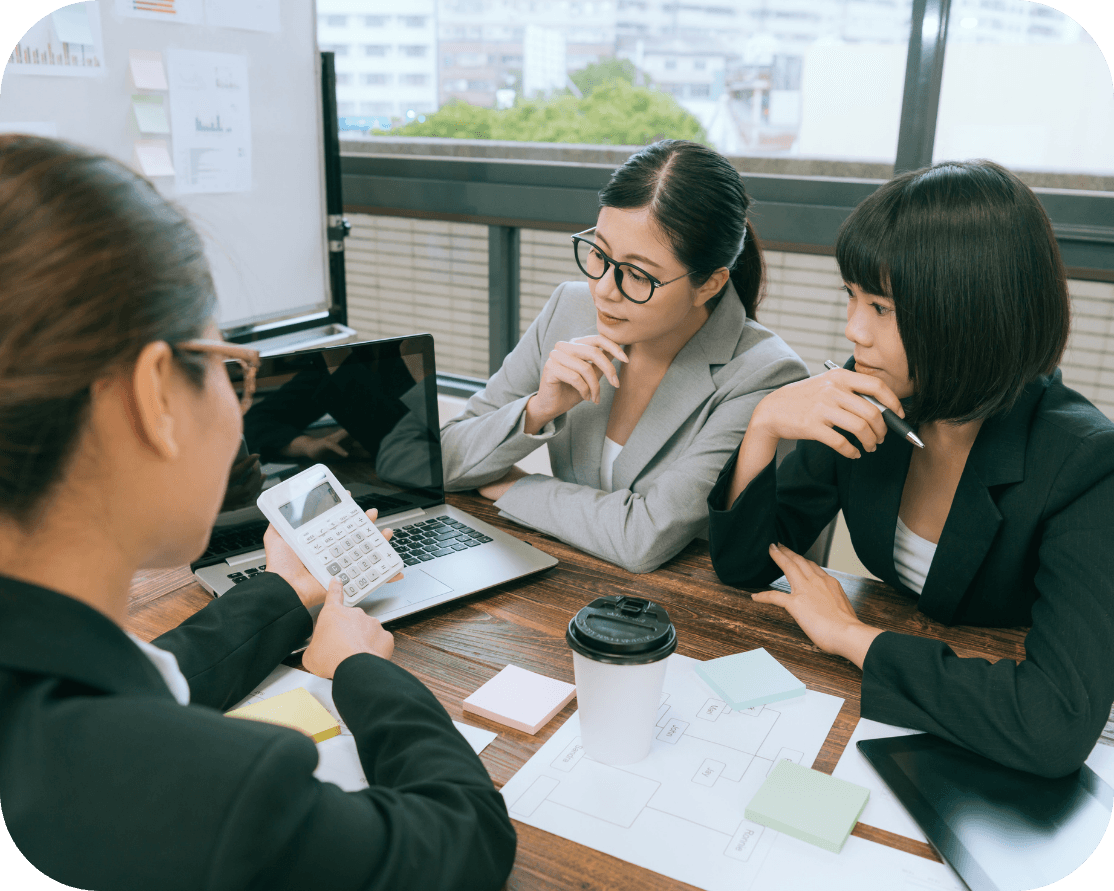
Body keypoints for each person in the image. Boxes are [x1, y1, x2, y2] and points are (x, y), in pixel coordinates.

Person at [0, 136, 515, 891]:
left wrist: (288, 593)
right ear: (153, 395)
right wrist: (361, 670)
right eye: (224, 363)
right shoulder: (204, 792)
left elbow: (145, 677)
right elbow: (460, 840)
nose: (237, 398)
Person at [707, 159, 1114, 778]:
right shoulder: (874, 393)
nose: (854, 330)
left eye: (882, 307)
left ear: (970, 314)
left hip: (995, 751)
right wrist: (764, 425)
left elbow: (1052, 723)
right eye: (852, 296)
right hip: (895, 723)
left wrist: (850, 635)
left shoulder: (1085, 463)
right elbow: (748, 566)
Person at [441, 140, 808, 573]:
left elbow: (643, 538)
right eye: (599, 253)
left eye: (638, 275)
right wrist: (538, 410)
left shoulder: (763, 373)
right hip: (563, 577)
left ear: (709, 283)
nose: (604, 290)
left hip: (678, 613)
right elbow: (445, 458)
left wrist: (517, 490)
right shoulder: (568, 308)